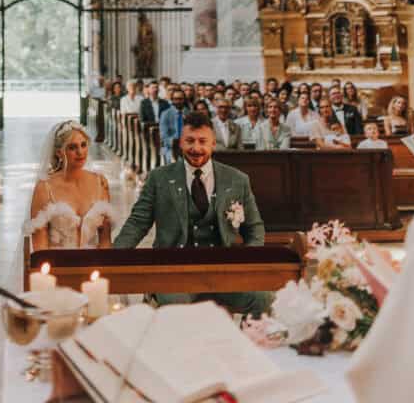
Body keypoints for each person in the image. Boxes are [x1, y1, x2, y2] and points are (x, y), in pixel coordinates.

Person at [114, 112, 268, 317]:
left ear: (214, 144)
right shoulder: (159, 178)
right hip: (174, 273)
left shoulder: (237, 179)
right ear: (180, 143)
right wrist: (114, 256)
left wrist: (248, 263)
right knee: (176, 311)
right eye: (189, 141)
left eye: (203, 141)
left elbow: (254, 227)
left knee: (263, 299)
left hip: (224, 272)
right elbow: (138, 222)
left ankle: (243, 344)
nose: (196, 148)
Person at [28, 120, 115, 249]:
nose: (80, 152)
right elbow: (40, 248)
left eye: (83, 145)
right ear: (59, 153)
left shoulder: (100, 183)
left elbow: (105, 240)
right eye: (72, 147)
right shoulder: (45, 188)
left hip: (93, 265)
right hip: (57, 265)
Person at [159, 86, 188, 163]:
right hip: (170, 147)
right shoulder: (165, 114)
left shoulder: (189, 113)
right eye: (176, 99)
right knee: (177, 161)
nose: (178, 101)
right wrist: (174, 143)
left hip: (187, 146)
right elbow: (164, 136)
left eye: (180, 99)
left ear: (184, 100)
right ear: (172, 100)